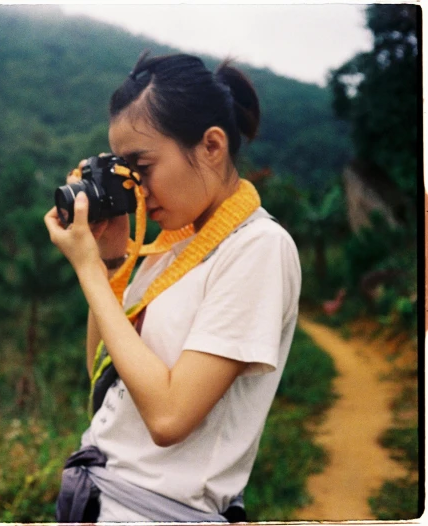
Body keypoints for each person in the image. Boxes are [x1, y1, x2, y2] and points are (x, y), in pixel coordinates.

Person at [44, 51, 302, 522]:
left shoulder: (259, 248)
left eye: (141, 168)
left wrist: (85, 272)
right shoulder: (170, 245)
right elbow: (107, 382)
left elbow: (167, 418)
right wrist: (109, 259)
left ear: (211, 146)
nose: (136, 189)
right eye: (124, 172)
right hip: (96, 498)